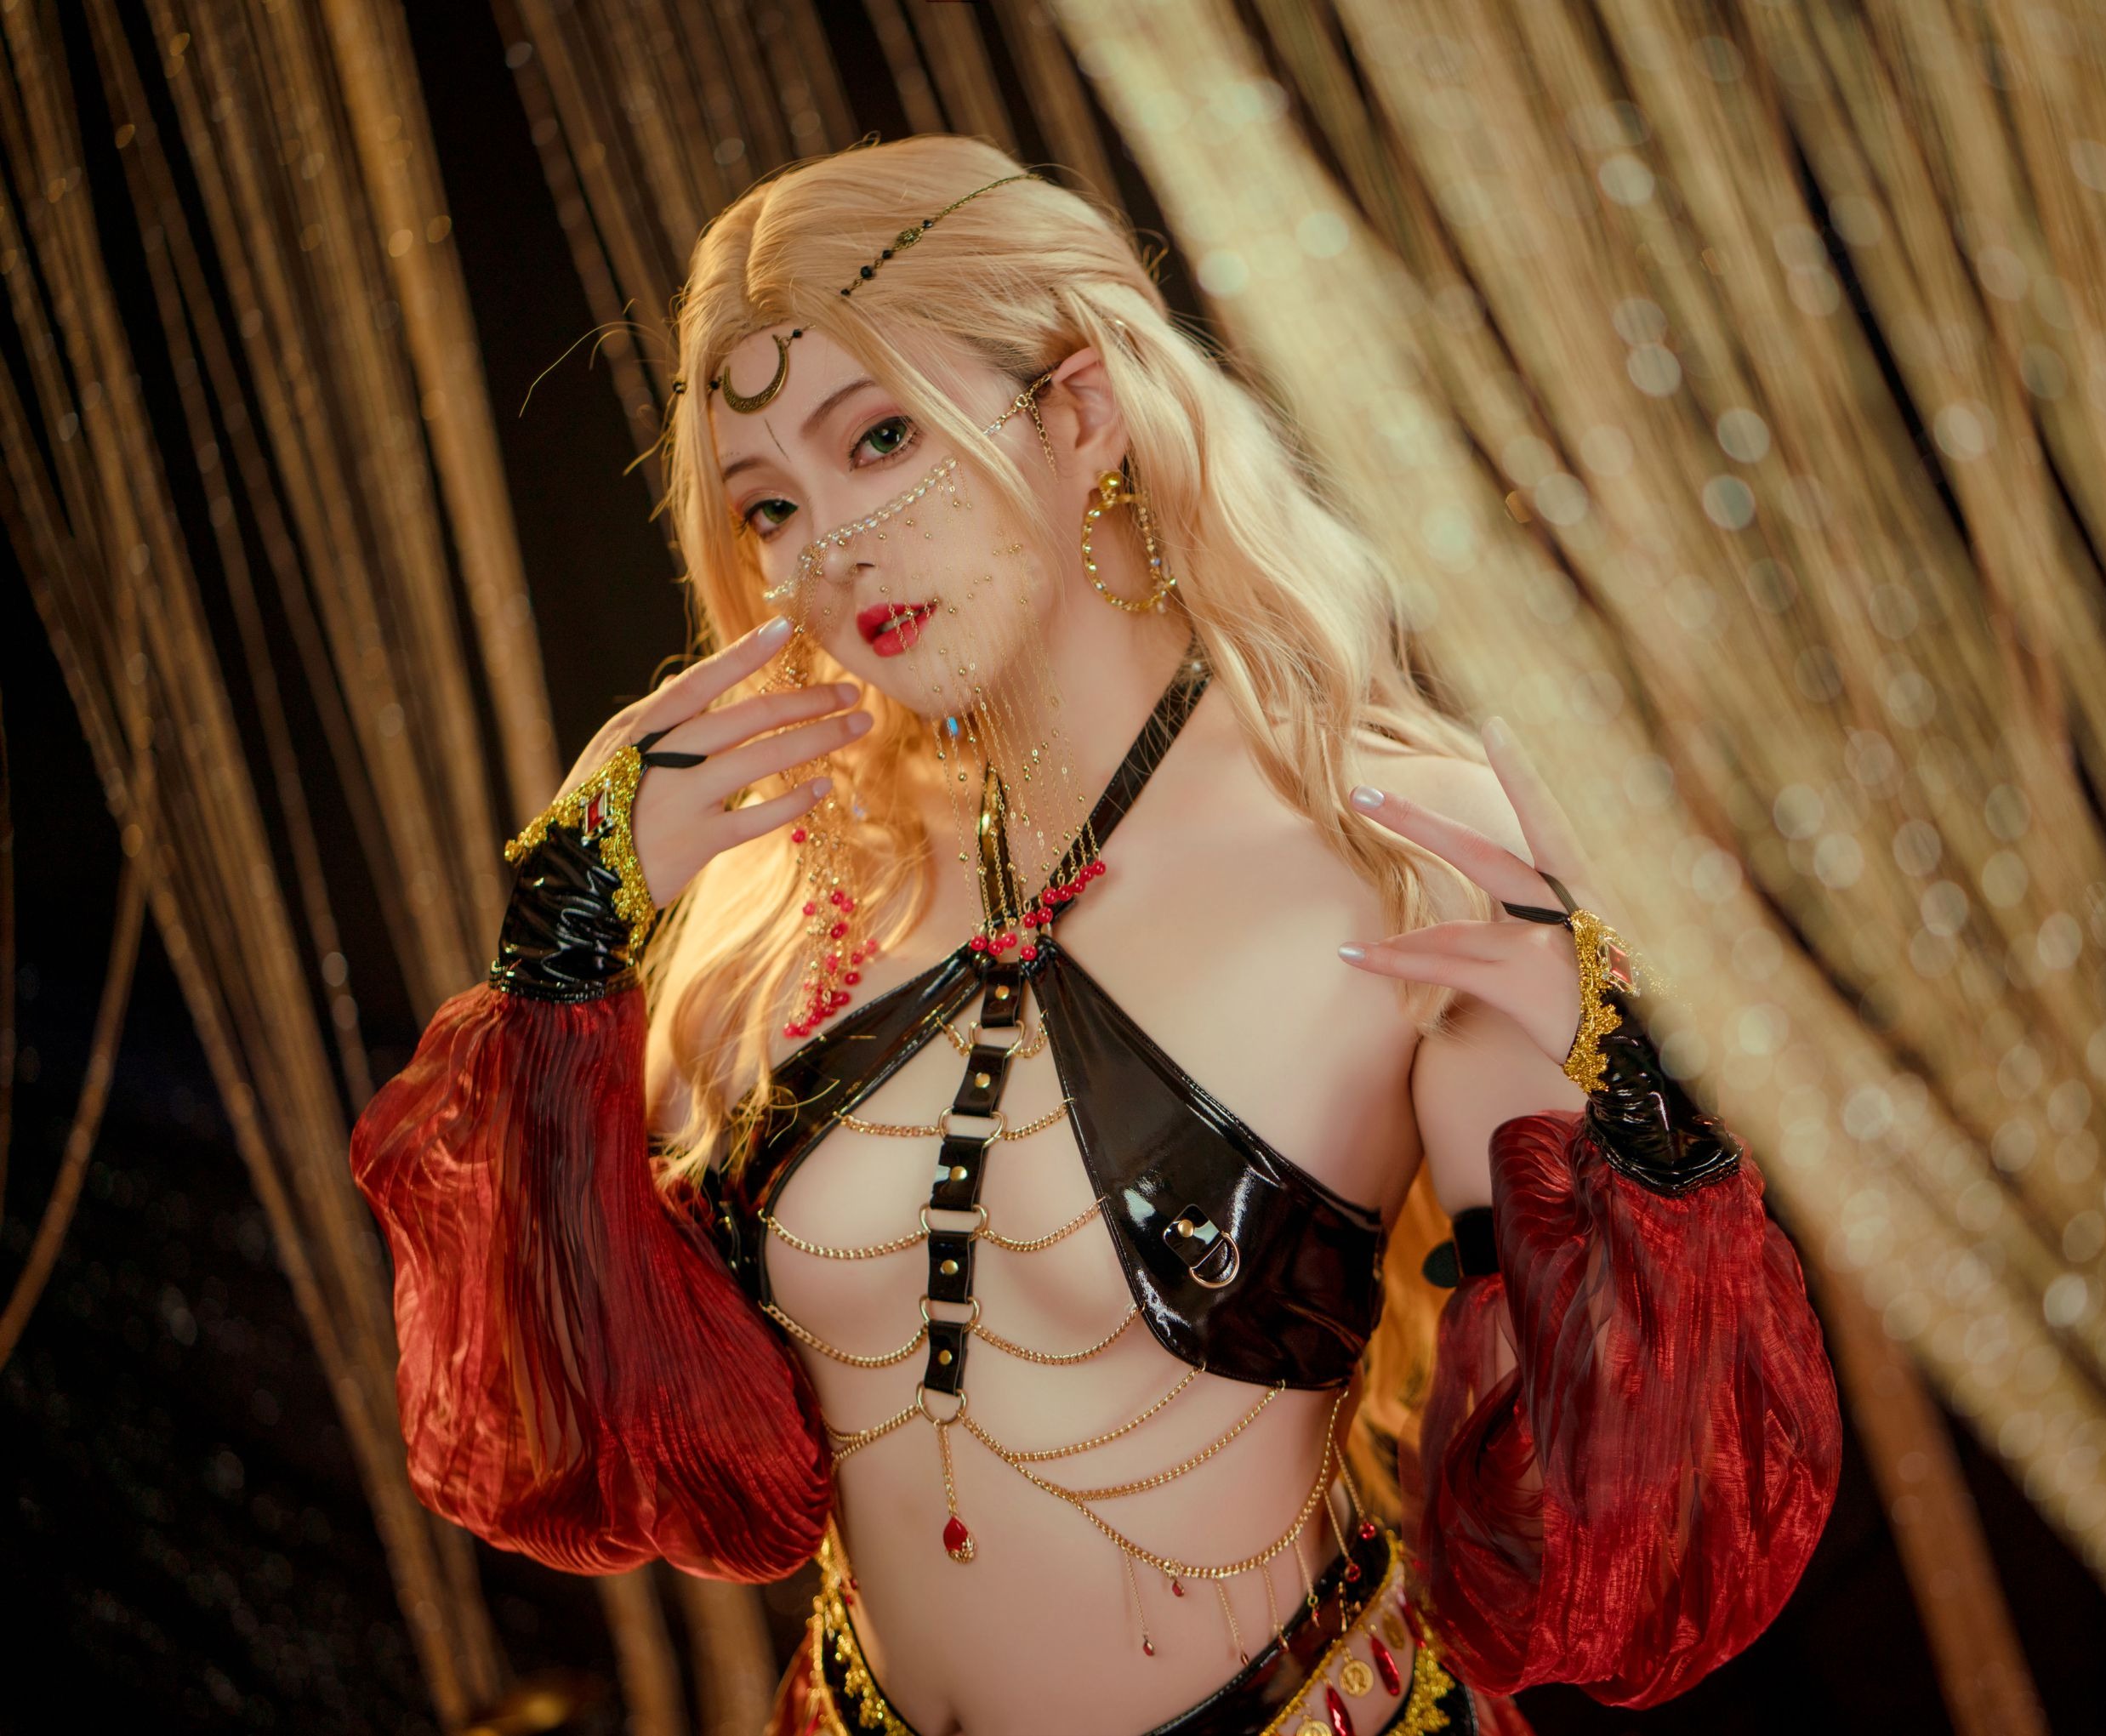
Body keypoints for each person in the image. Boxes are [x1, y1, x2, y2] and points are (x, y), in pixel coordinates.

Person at [350, 134, 1842, 1736]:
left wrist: (1631, 1102)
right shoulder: (769, 884)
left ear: (1080, 412)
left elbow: (1627, 1547)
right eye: (769, 504)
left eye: (881, 438)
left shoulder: (1399, 842)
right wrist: (560, 966)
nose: (829, 554)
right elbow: (578, 1441)